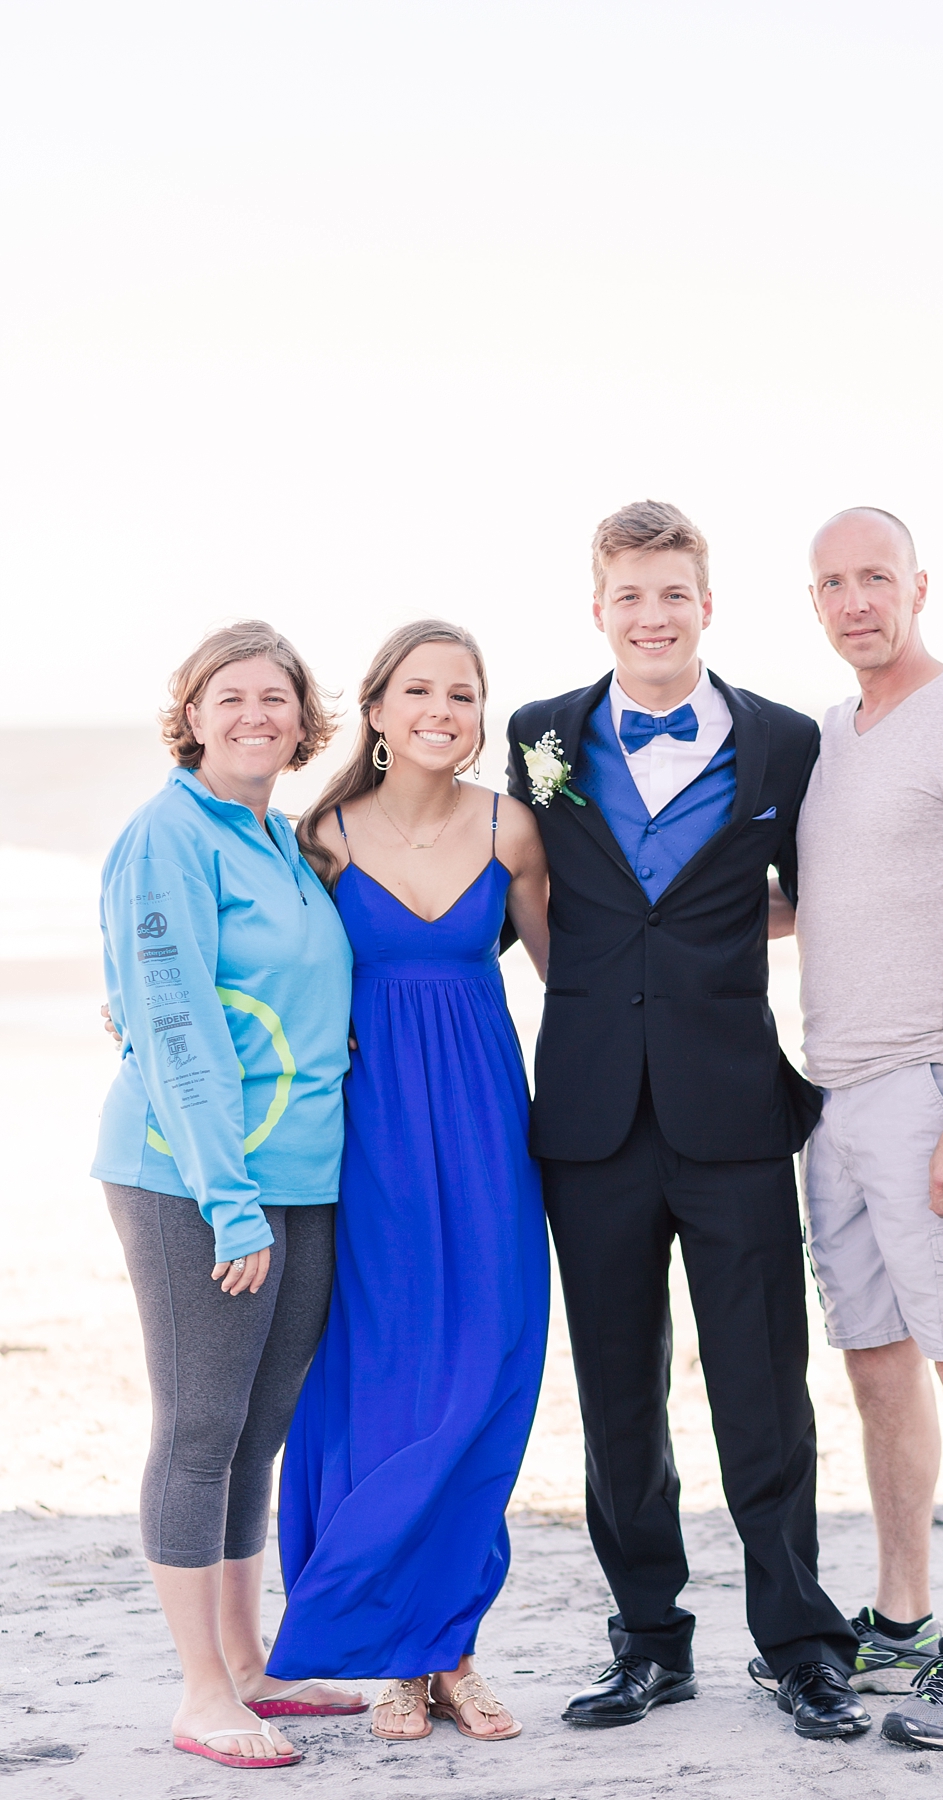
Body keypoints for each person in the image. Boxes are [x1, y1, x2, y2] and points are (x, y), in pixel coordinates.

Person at [507, 500, 867, 1740]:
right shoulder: (539, 735)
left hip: (733, 1112)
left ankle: (801, 1642)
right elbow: (513, 882)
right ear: (598, 609)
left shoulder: (782, 742)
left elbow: (822, 896)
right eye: (629, 598)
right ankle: (650, 1643)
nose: (651, 618)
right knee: (618, 1396)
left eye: (674, 596)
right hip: (591, 1120)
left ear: (707, 607)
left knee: (767, 1388)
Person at [266, 621, 551, 1744]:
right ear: (377, 710)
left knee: (486, 1379)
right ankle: (406, 1659)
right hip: (367, 1141)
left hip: (488, 1134)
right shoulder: (320, 839)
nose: (443, 710)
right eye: (420, 691)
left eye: (465, 694)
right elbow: (269, 979)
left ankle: (455, 1645)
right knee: (384, 1386)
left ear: (482, 715)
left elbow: (576, 980)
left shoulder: (513, 828)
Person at [787, 506, 943, 1752]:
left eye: (873, 577)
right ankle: (901, 1616)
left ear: (918, 585)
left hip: (938, 1087)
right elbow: (816, 906)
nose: (853, 602)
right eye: (831, 583)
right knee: (879, 1365)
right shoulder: (834, 737)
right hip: (833, 1099)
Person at [92, 622, 366, 1771]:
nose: (257, 714)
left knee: (261, 1432)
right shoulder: (168, 837)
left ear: (306, 721)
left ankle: (250, 1663)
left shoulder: (278, 840)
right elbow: (174, 1023)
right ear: (192, 714)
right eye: (231, 696)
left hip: (299, 1176)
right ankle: (202, 1691)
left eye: (278, 698)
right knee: (200, 1430)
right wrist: (227, 1200)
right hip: (194, 1180)